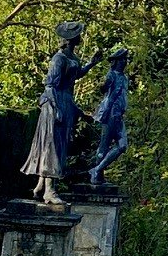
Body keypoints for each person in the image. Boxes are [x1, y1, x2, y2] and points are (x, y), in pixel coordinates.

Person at [21, 21, 103, 205]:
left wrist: (91, 64)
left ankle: (41, 186)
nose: (81, 36)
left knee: (59, 146)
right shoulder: (58, 59)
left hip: (66, 103)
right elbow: (50, 85)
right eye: (79, 34)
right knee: (53, 147)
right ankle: (49, 191)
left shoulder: (71, 56)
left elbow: (75, 75)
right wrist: (56, 109)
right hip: (55, 104)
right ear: (71, 39)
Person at [88, 48, 130, 185]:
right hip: (110, 113)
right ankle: (97, 176)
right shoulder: (111, 75)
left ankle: (97, 169)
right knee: (104, 145)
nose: (125, 61)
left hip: (119, 115)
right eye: (123, 59)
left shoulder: (124, 77)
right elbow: (104, 89)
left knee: (122, 146)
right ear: (117, 61)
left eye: (125, 59)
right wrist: (104, 85)